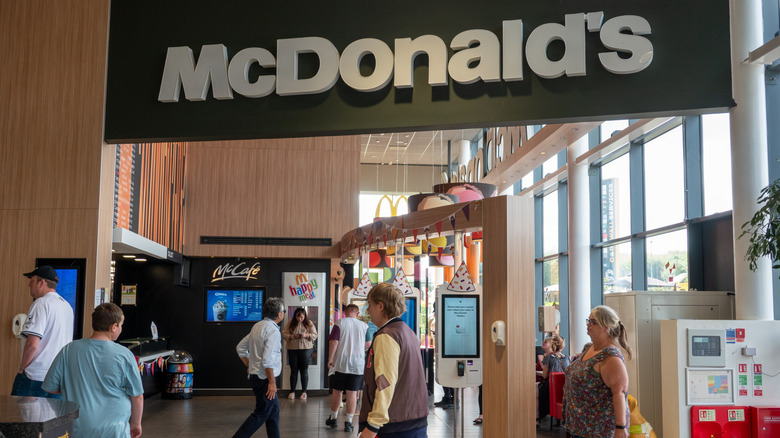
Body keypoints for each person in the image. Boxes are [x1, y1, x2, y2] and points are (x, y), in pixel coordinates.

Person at [42, 303, 144, 438]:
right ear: (113, 327)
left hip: (78, 428)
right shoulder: (124, 354)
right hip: (114, 430)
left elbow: (50, 387)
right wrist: (136, 424)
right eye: (121, 325)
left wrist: (76, 387)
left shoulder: (69, 349)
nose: (121, 328)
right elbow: (137, 396)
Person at [359, 283, 428, 438]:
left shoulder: (386, 336)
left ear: (380, 306)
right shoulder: (407, 332)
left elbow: (385, 383)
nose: (367, 310)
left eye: (369, 305)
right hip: (415, 421)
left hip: (393, 426)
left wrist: (373, 425)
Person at [564, 306, 632, 438]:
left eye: (593, 322)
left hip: (599, 430)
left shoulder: (610, 356)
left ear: (606, 327)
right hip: (580, 427)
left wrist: (620, 427)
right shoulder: (592, 349)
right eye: (588, 321)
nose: (588, 325)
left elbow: (619, 393)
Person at [12, 266, 74, 398]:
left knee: (21, 416)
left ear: (42, 283)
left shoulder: (41, 303)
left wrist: (22, 368)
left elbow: (32, 344)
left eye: (32, 280)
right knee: (53, 417)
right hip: (58, 376)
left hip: (36, 376)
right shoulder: (67, 306)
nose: (29, 284)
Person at [232, 297, 286, 438]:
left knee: (273, 412)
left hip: (256, 376)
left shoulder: (257, 326)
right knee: (261, 413)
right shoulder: (273, 331)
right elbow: (268, 361)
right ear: (279, 314)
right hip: (265, 379)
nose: (284, 313)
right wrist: (272, 383)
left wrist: (249, 364)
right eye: (283, 311)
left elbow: (240, 347)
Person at [326, 303, 369, 433]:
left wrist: (330, 359)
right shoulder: (364, 326)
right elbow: (368, 344)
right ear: (357, 313)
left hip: (341, 363)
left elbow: (334, 342)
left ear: (345, 312)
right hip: (357, 364)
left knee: (337, 391)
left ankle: (333, 418)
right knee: (352, 393)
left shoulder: (339, 323)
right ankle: (349, 422)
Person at [282, 307, 318, 400]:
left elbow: (315, 335)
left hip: (306, 349)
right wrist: (292, 336)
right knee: (293, 370)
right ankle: (292, 391)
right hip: (292, 348)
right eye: (298, 317)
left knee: (304, 370)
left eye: (301, 317)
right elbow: (284, 333)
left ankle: (304, 392)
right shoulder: (291, 323)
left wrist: (306, 335)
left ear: (304, 316)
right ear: (295, 316)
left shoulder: (309, 323)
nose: (299, 319)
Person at [537, 335, 570, 423]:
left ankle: (537, 417)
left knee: (537, 389)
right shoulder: (567, 358)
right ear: (562, 346)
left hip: (551, 388)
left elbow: (544, 376)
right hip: (564, 388)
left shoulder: (548, 358)